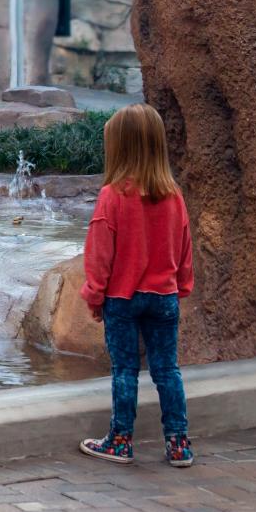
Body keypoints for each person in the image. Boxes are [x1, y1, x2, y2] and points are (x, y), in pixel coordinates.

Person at [79, 103, 195, 468]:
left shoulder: (112, 196)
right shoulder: (174, 196)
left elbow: (100, 254)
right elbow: (184, 246)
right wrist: (182, 287)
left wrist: (94, 296)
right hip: (164, 297)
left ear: (120, 148)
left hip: (122, 299)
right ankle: (178, 444)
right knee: (167, 370)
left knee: (125, 371)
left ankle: (120, 440)